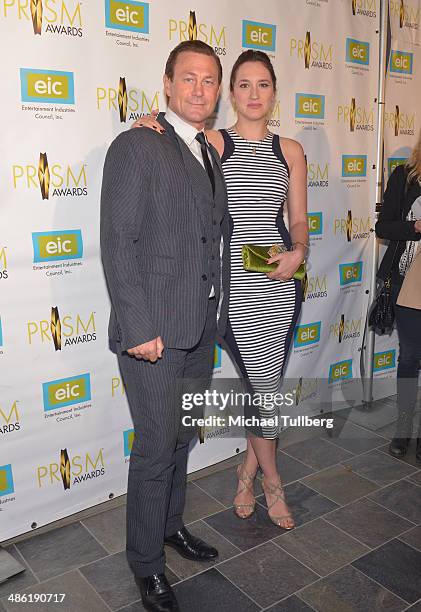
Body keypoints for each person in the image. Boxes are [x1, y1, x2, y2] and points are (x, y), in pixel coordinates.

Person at [134, 50, 308, 530]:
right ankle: (273, 481)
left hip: (277, 287)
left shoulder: (290, 150)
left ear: (275, 92)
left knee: (263, 389)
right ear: (229, 93)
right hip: (228, 292)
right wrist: (144, 119)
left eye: (264, 85)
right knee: (263, 391)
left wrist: (298, 250)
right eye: (244, 85)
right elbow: (169, 134)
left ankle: (248, 473)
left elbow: (298, 219)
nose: (254, 95)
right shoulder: (210, 141)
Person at [100, 40, 231, 612]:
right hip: (153, 333)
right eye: (190, 79)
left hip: (200, 327)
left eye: (209, 81)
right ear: (168, 84)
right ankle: (145, 564)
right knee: (155, 448)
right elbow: (119, 244)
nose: (199, 90)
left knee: (181, 440)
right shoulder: (135, 145)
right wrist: (138, 326)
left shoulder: (210, 150)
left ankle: (171, 527)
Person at [376, 132, 421, 461]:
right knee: (409, 357)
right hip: (410, 282)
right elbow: (384, 227)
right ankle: (403, 430)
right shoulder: (404, 178)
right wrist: (415, 228)